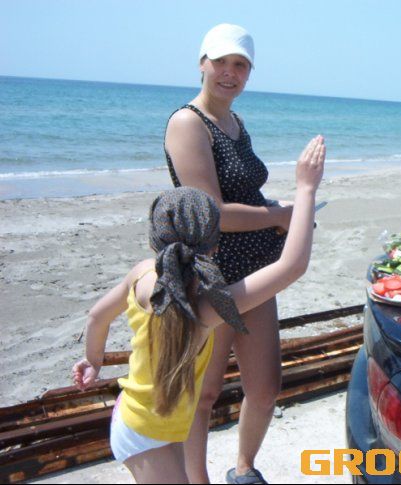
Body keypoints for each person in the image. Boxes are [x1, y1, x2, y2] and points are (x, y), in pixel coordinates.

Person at [72, 135, 325, 484]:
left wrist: (93, 360)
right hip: (147, 434)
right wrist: (306, 189)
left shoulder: (140, 274)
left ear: (153, 239)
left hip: (141, 419)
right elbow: (291, 266)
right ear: (215, 246)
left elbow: (96, 316)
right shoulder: (208, 308)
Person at [163, 24, 302, 483]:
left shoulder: (235, 122)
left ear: (249, 72)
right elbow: (214, 213)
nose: (229, 72)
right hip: (213, 275)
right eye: (220, 61)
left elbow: (244, 194)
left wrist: (280, 211)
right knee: (203, 394)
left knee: (264, 388)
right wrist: (281, 214)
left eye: (240, 64)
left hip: (255, 269)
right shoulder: (188, 122)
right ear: (202, 63)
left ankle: (243, 468)